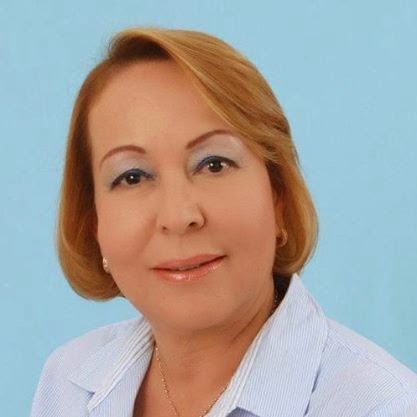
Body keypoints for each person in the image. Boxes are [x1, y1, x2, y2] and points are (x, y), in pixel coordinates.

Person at [30, 27, 417, 417]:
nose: (179, 217)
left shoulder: (384, 406)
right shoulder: (67, 384)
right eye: (132, 177)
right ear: (93, 220)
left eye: (214, 164)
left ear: (278, 196)